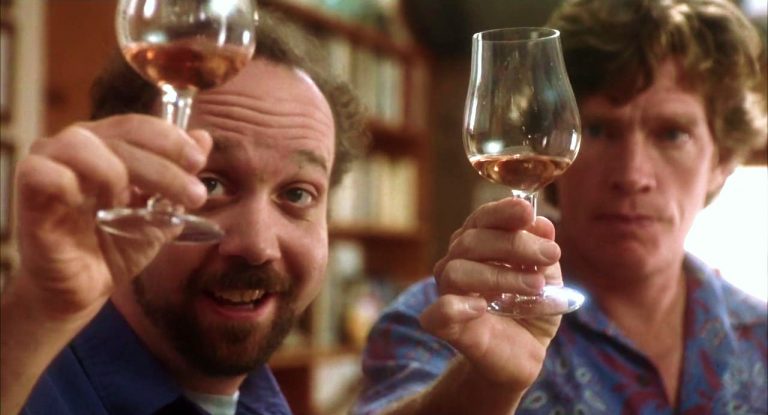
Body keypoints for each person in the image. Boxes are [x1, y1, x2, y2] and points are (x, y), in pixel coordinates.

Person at [352, 0, 768, 414]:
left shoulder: (759, 335)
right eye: (599, 130)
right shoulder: (446, 319)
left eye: (672, 134)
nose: (632, 174)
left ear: (722, 162)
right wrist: (480, 388)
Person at [0, 11, 368, 415]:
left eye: (297, 194)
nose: (257, 245)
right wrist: (37, 314)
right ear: (115, 180)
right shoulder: (29, 384)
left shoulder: (262, 401)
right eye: (209, 184)